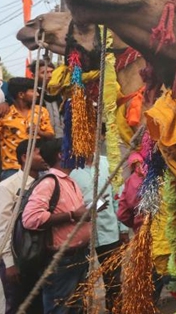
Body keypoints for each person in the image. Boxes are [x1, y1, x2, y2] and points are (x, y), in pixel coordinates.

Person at [22, 139, 91, 314]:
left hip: (79, 256)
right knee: (60, 309)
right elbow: (30, 218)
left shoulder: (70, 181)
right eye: (74, 149)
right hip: (61, 261)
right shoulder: (49, 182)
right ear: (61, 155)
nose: (79, 153)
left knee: (76, 308)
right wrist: (71, 215)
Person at [69, 144, 124, 312]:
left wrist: (122, 229)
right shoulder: (71, 171)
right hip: (82, 237)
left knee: (113, 279)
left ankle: (114, 309)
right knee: (81, 281)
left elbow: (117, 195)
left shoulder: (108, 164)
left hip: (109, 232)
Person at [0, 139, 49, 314]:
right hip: (17, 257)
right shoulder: (8, 187)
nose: (45, 157)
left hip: (39, 256)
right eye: (39, 153)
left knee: (39, 305)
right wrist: (9, 263)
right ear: (24, 157)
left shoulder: (48, 182)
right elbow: (4, 227)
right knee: (17, 305)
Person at [0, 77, 54, 181]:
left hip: (39, 168)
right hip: (12, 169)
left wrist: (40, 132)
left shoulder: (41, 111)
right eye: (33, 91)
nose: (37, 94)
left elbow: (51, 135)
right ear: (21, 95)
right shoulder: (4, 114)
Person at [27, 59, 64, 138]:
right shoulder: (32, 96)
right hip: (43, 140)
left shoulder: (63, 92)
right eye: (44, 73)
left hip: (63, 138)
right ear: (34, 76)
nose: (50, 75)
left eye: (51, 72)